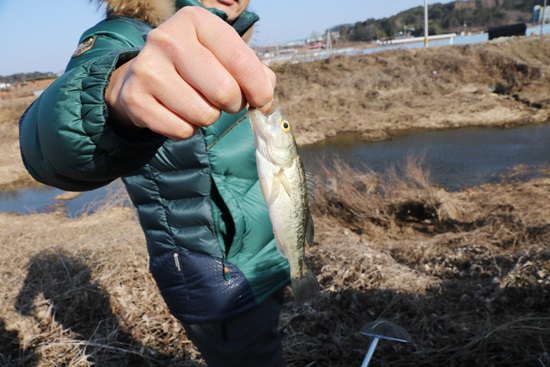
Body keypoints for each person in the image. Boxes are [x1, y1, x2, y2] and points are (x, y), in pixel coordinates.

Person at [18, 1, 290, 366]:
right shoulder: (126, 36)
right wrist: (114, 93)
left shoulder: (233, 38)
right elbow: (49, 145)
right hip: (214, 273)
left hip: (269, 256)